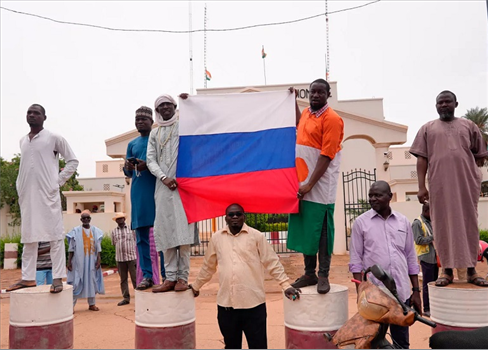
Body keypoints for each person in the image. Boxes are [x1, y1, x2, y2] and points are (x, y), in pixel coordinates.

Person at [189, 203, 301, 349]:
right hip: (227, 306)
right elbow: (208, 267)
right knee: (231, 346)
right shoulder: (216, 238)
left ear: (244, 217)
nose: (235, 217)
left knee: (258, 346)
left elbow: (272, 262)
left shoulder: (256, 236)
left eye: (238, 214)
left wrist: (285, 285)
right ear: (226, 219)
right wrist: (196, 286)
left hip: (253, 305)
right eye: (231, 215)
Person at [409, 90, 488, 287]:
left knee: (468, 224)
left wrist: (470, 172)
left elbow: (480, 154)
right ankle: (446, 271)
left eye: (447, 102)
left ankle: (471, 270)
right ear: (436, 106)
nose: (443, 105)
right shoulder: (427, 128)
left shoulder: (469, 126)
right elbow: (421, 158)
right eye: (440, 103)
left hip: (465, 185)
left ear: (456, 104)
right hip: (439, 185)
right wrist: (421, 187)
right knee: (442, 225)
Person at [7, 104, 79, 293]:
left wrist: (58, 182)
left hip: (48, 194)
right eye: (29, 112)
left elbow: (73, 160)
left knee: (54, 235)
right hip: (27, 196)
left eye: (36, 113)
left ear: (44, 117)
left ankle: (57, 278)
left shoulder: (53, 138)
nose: (32, 115)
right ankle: (28, 278)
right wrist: (19, 187)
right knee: (29, 237)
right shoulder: (23, 140)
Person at [286, 79, 344, 294]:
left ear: (328, 95)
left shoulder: (332, 119)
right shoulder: (309, 114)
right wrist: (293, 102)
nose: (316, 95)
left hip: (320, 185)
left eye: (320, 92)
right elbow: (298, 123)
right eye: (313, 92)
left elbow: (327, 155)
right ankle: (309, 273)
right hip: (303, 182)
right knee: (307, 230)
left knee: (321, 232)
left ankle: (323, 275)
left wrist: (311, 183)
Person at [349, 181, 421, 349]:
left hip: (401, 295)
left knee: (401, 342)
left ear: (390, 197)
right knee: (373, 341)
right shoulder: (361, 223)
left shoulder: (403, 222)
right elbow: (355, 261)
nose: (373, 199)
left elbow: (411, 257)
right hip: (375, 297)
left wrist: (416, 291)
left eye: (378, 195)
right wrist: (361, 292)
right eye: (370, 196)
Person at [147, 94, 199, 293]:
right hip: (162, 188)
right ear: (157, 111)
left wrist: (189, 102)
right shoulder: (154, 134)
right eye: (161, 106)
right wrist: (163, 177)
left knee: (184, 236)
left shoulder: (183, 127)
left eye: (168, 104)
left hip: (185, 188)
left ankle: (182, 278)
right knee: (167, 233)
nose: (165, 108)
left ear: (175, 107)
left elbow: (197, 120)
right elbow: (150, 160)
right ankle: (169, 278)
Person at [123, 106, 162, 290]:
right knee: (141, 236)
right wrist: (129, 167)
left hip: (157, 190)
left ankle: (166, 273)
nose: (140, 122)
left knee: (162, 235)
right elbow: (127, 172)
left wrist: (149, 165)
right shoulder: (132, 144)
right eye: (137, 119)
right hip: (138, 192)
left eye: (143, 119)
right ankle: (147, 275)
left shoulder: (159, 138)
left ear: (151, 121)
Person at [66, 210, 105, 311]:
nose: (86, 220)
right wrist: (69, 262)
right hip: (78, 262)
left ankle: (92, 304)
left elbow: (98, 248)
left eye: (88, 218)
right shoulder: (75, 231)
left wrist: (99, 260)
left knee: (92, 280)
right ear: (81, 220)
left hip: (92, 261)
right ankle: (71, 306)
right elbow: (71, 248)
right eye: (84, 218)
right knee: (76, 282)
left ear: (90, 219)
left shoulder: (96, 231)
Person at [412, 202, 437, 318]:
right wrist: (433, 237)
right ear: (426, 211)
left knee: (434, 283)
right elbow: (418, 240)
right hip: (426, 257)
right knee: (427, 284)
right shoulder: (417, 223)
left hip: (434, 257)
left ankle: (434, 306)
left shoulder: (430, 222)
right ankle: (427, 308)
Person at [111, 213, 137, 306]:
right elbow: (114, 243)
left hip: (131, 258)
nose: (120, 220)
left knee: (135, 278)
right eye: (118, 219)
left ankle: (139, 297)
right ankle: (126, 298)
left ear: (124, 219)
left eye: (121, 218)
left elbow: (136, 240)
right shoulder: (114, 231)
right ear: (116, 221)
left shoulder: (131, 229)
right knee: (123, 279)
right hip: (120, 259)